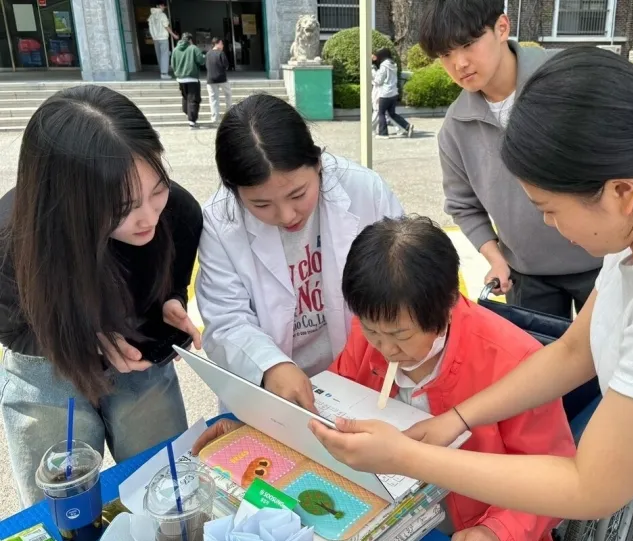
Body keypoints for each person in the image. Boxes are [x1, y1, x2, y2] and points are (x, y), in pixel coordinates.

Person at [310, 47, 633, 541]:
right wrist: (456, 420)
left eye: (548, 208)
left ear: (621, 192)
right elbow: (575, 350)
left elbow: (590, 485)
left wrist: (407, 456)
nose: (546, 225)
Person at [193, 215, 575, 541]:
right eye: (372, 331)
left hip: (470, 523)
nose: (384, 348)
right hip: (379, 514)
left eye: (400, 336)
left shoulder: (518, 362)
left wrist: (497, 530)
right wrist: (253, 433)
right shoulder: (369, 334)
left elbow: (555, 473)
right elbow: (326, 419)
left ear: (446, 306)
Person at [0, 85, 203, 507]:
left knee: (167, 487)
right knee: (62, 505)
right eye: (123, 206)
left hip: (139, 359)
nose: (149, 217)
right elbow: (12, 327)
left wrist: (170, 302)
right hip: (48, 364)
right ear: (64, 201)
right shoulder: (11, 239)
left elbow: (170, 280)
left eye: (157, 189)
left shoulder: (178, 212)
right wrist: (82, 337)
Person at [196, 94, 403, 412]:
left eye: (298, 194)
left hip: (360, 378)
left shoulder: (364, 191)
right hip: (271, 391)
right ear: (233, 191)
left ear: (318, 163)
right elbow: (226, 320)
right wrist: (270, 366)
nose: (287, 215)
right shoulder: (220, 220)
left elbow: (402, 279)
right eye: (261, 205)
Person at [420, 0, 602, 319]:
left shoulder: (570, 78)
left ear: (502, 27)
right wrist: (496, 258)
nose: (459, 63)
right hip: (526, 275)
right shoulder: (455, 127)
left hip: (605, 263)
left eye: (468, 44)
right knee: (540, 364)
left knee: (611, 362)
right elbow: (463, 205)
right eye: (446, 54)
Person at [373, 48, 414, 139]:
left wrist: (373, 79)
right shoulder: (393, 64)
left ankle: (383, 134)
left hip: (385, 93)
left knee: (381, 113)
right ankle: (407, 126)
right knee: (392, 114)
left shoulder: (384, 65)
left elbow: (379, 80)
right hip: (394, 93)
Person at [171, 32, 206, 129]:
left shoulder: (175, 49)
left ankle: (187, 112)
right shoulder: (193, 48)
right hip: (192, 78)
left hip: (180, 78)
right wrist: (204, 57)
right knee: (193, 99)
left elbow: (173, 64)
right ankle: (192, 121)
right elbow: (201, 61)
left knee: (185, 97)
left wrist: (178, 72)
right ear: (190, 40)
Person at [147, 0, 178, 79]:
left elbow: (150, 28)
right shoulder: (162, 15)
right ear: (160, 6)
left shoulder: (151, 16)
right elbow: (166, 26)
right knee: (164, 55)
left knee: (159, 55)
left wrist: (153, 36)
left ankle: (162, 71)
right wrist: (174, 35)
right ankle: (164, 73)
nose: (164, 7)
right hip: (163, 38)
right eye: (164, 6)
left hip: (155, 38)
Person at [206, 37, 233, 124]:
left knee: (213, 98)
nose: (223, 45)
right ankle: (229, 113)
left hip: (210, 80)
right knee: (228, 94)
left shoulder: (208, 53)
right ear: (216, 44)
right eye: (221, 43)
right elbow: (226, 65)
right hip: (222, 79)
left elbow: (206, 65)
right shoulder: (221, 53)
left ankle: (214, 118)